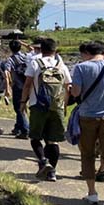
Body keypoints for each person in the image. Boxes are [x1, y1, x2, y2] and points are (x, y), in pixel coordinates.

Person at [71, 40, 104, 205]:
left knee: (87, 155)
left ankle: (92, 193)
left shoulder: (81, 67)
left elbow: (76, 92)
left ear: (89, 52)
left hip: (87, 116)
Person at [21, 38, 71, 182]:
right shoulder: (61, 65)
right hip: (57, 107)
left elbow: (27, 84)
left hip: (38, 105)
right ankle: (52, 173)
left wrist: (23, 102)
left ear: (41, 50)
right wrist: (65, 106)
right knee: (53, 141)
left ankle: (43, 161)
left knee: (35, 137)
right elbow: (68, 87)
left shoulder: (35, 63)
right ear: (55, 51)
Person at [5, 40, 30, 138]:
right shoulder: (27, 56)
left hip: (18, 86)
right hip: (29, 85)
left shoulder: (10, 59)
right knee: (24, 107)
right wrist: (23, 43)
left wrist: (7, 88)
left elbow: (6, 73)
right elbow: (33, 49)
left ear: (10, 49)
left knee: (19, 108)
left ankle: (25, 130)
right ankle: (18, 127)